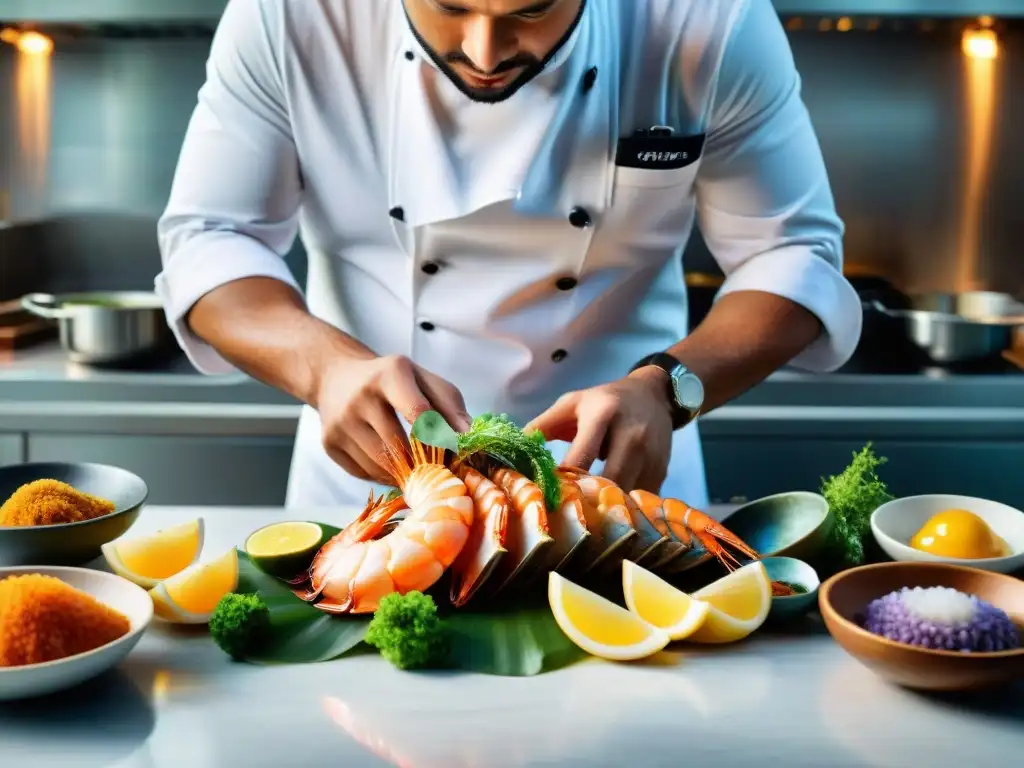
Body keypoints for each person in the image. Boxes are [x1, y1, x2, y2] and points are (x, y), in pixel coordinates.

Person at [155, 0, 862, 510]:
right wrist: (325, 368)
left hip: (621, 490)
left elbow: (793, 254)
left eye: (531, 11)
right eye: (450, 7)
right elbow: (213, 239)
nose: (485, 51)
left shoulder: (707, 21)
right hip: (374, 489)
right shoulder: (290, 17)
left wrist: (669, 387)